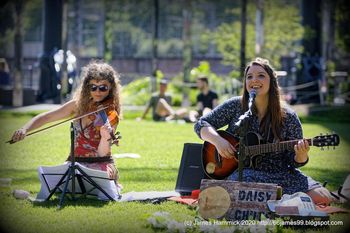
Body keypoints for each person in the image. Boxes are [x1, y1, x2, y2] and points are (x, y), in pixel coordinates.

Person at [194, 57, 333, 205]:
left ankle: (269, 200)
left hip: (279, 174)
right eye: (249, 76)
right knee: (240, 183)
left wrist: (301, 155)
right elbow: (201, 124)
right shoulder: (235, 105)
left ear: (272, 82)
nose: (254, 80)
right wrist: (218, 141)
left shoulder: (288, 117)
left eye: (261, 75)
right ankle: (277, 201)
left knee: (322, 196)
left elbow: (294, 162)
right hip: (242, 173)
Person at [11, 61, 121, 186]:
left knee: (91, 186)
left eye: (103, 87)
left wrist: (105, 137)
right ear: (87, 87)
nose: (98, 92)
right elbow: (47, 117)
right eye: (93, 87)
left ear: (110, 88)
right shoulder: (77, 105)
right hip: (75, 163)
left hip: (100, 163)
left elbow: (102, 153)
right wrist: (24, 129)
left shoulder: (110, 114)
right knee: (51, 181)